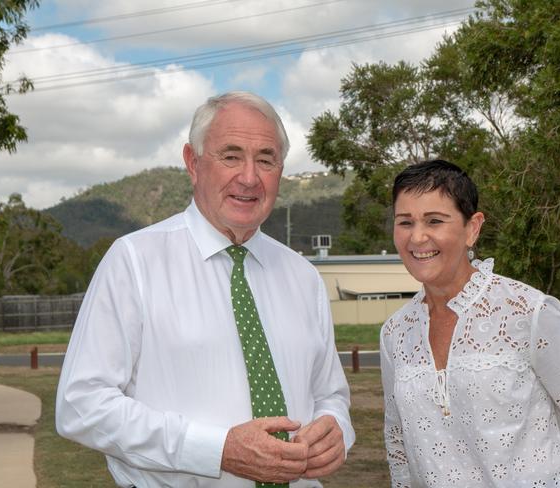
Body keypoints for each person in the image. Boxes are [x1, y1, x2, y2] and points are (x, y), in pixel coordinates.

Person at [55, 91, 355, 487]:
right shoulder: (134, 261)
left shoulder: (303, 276)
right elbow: (81, 405)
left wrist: (336, 430)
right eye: (230, 156)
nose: (249, 177)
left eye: (265, 159)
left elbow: (330, 393)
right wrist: (217, 449)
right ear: (193, 164)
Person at [380, 159, 560, 487]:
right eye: (405, 222)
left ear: (472, 228)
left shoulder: (531, 313)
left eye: (435, 220)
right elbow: (398, 447)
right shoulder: (395, 333)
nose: (418, 237)